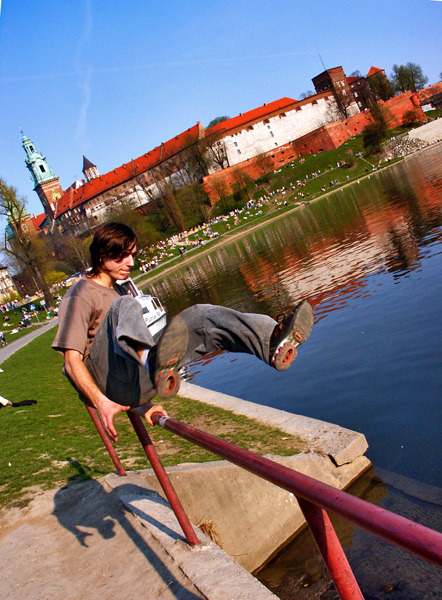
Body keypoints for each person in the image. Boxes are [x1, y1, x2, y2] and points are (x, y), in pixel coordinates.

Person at [52, 223, 314, 443]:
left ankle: (270, 341)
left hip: (135, 382)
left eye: (133, 254)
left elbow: (125, 345)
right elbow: (71, 360)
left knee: (199, 316)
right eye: (122, 256)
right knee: (126, 305)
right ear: (101, 256)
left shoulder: (120, 288)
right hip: (106, 385)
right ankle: (152, 361)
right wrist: (101, 402)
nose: (131, 262)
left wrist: (144, 404)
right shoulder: (81, 293)